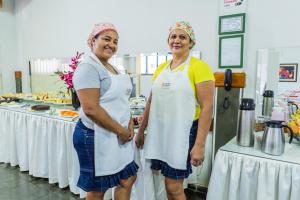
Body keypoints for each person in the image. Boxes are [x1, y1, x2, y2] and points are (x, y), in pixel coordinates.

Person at [135, 21, 215, 200]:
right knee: (168, 183)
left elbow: (207, 107)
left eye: (182, 37)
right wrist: (141, 130)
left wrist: (199, 145)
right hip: (160, 133)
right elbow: (151, 100)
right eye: (173, 36)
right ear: (168, 41)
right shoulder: (161, 68)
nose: (177, 40)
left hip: (183, 133)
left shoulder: (200, 67)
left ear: (191, 42)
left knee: (173, 185)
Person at [73, 23, 138, 200]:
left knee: (127, 178)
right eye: (106, 39)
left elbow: (121, 100)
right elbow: (91, 109)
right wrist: (121, 130)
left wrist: (130, 121)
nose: (112, 44)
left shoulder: (112, 67)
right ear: (93, 40)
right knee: (97, 189)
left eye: (115, 41)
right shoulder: (88, 67)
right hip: (95, 136)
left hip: (117, 133)